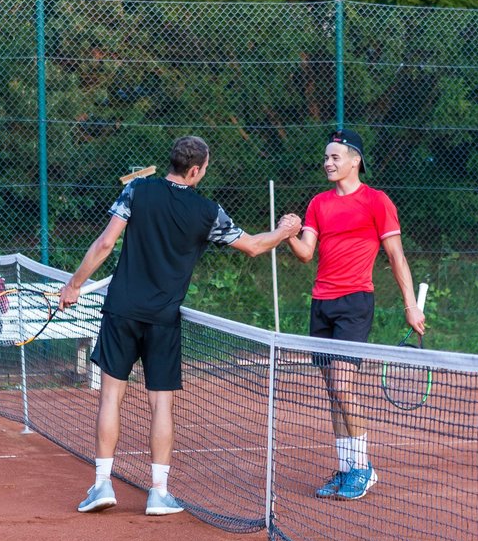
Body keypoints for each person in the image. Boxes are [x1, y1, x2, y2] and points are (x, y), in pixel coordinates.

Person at [60, 135, 301, 515]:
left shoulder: (138, 190)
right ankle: (158, 492)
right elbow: (254, 246)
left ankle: (102, 485)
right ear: (195, 170)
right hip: (163, 319)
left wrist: (74, 284)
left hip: (121, 309)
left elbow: (106, 243)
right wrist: (287, 231)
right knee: (161, 404)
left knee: (110, 397)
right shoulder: (208, 212)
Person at [286, 129, 425, 500]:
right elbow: (305, 254)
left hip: (355, 302)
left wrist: (410, 305)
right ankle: (347, 467)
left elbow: (396, 257)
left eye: (334, 157)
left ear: (354, 161)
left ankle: (363, 467)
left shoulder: (377, 202)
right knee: (332, 390)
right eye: (326, 158)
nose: (327, 163)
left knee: (343, 386)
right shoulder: (318, 203)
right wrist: (288, 233)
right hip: (322, 302)